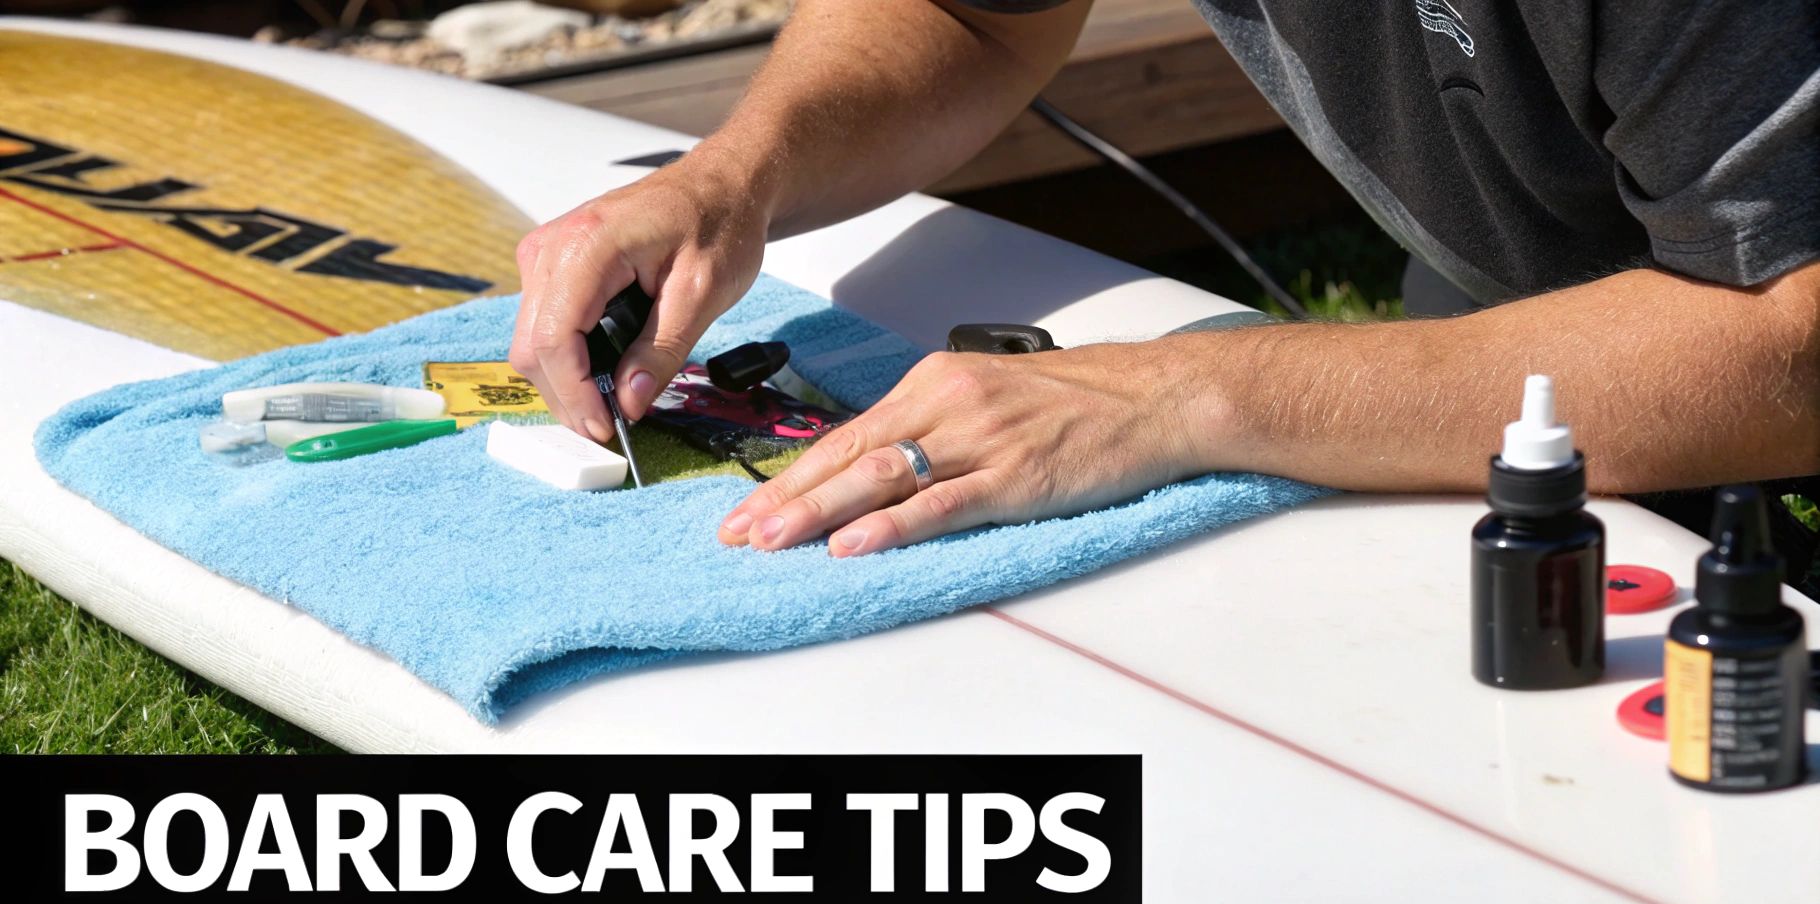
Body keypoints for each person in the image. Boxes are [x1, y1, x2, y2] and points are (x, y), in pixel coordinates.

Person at [508, 0, 1819, 578]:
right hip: (1537, 340)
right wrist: (733, 181)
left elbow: (1790, 342)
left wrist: (1185, 394)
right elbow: (974, 15)